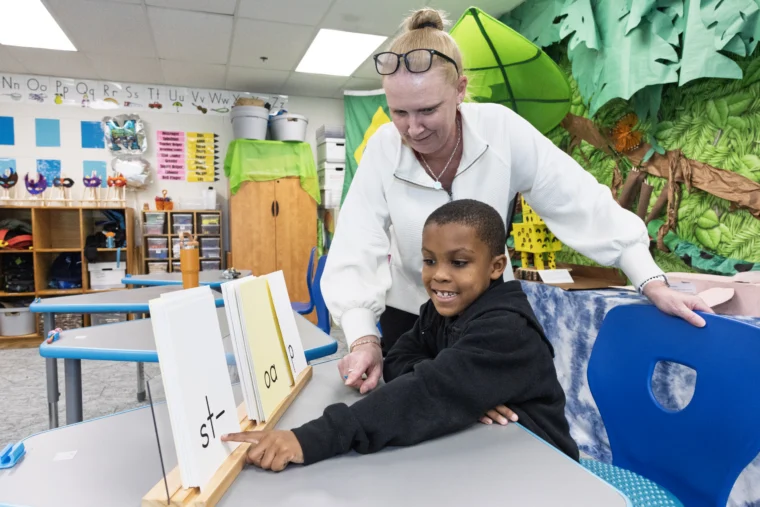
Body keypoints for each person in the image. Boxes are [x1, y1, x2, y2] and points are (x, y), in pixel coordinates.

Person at [322, 8, 713, 401]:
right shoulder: (383, 149)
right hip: (410, 323)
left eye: (427, 110)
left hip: (489, 319)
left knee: (498, 433)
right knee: (411, 424)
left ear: (460, 90)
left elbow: (578, 198)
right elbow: (357, 245)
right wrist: (362, 339)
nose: (413, 128)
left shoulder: (501, 129)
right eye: (399, 113)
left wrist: (650, 280)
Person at [222, 199, 579, 470]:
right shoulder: (440, 308)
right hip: (483, 452)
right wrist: (464, 392)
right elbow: (399, 358)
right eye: (429, 260)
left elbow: (425, 392)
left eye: (459, 263)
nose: (439, 275)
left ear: (496, 267)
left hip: (540, 464)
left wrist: (308, 440)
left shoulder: (506, 331)